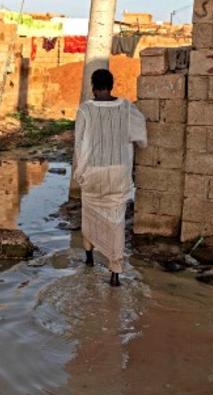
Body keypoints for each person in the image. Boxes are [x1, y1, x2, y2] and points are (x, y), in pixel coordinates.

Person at [73, 69, 147, 287]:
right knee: (116, 221)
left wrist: (80, 172)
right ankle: (115, 273)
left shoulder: (85, 109)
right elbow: (140, 135)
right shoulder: (126, 108)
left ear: (93, 87)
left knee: (90, 214)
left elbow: (80, 145)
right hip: (119, 171)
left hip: (93, 171)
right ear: (111, 85)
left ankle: (88, 258)